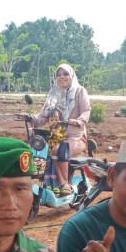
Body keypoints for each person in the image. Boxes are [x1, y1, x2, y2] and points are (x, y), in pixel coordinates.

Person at [32, 63, 91, 195]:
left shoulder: (79, 91)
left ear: (72, 76)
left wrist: (79, 121)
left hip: (75, 138)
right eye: (58, 74)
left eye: (65, 74)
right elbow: (43, 116)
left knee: (58, 149)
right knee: (38, 148)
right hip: (54, 137)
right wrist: (31, 118)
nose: (61, 77)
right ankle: (47, 181)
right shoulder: (53, 94)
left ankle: (64, 184)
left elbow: (86, 110)